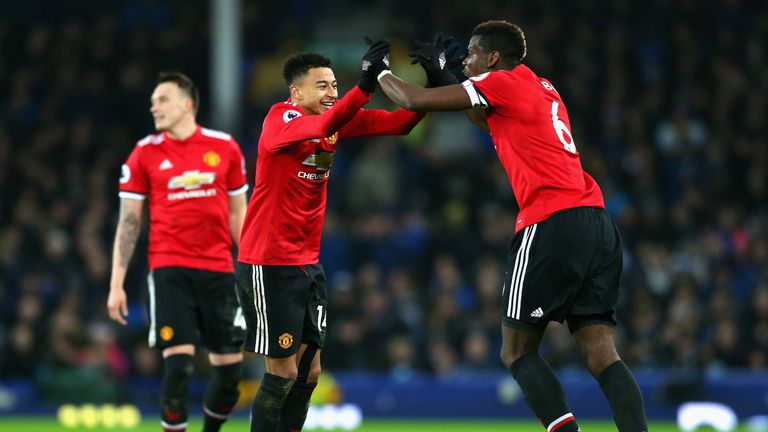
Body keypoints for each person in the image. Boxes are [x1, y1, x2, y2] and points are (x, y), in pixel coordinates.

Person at [376, 21, 648, 432]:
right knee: (600, 352)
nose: (464, 60)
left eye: (469, 54)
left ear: (492, 58)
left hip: (551, 220)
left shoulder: (501, 82)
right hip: (596, 222)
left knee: (517, 351)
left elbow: (412, 100)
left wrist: (379, 70)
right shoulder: (541, 86)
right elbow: (486, 121)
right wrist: (446, 74)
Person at [235, 40, 423, 432]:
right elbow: (322, 124)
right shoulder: (279, 120)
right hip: (269, 263)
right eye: (322, 86)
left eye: (336, 85)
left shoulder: (335, 124)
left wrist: (435, 84)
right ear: (296, 92)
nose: (332, 93)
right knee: (283, 369)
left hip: (307, 262)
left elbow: (401, 122)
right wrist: (365, 87)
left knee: (310, 372)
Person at [107, 72, 248, 432]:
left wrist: (252, 266)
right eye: (153, 101)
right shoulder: (144, 153)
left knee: (231, 376)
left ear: (188, 104)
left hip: (219, 271)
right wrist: (116, 284)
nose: (154, 107)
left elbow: (238, 213)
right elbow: (128, 223)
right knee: (179, 367)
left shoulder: (225, 147)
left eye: (162, 99)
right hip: (170, 270)